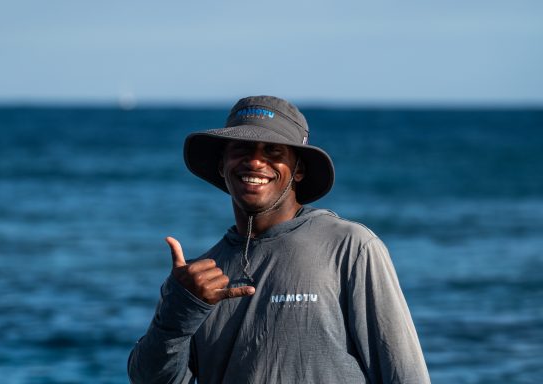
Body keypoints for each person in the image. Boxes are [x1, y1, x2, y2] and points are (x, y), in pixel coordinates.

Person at [128, 96, 430, 383]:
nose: (255, 162)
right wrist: (179, 312)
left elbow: (405, 374)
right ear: (222, 165)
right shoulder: (197, 281)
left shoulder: (349, 247)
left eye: (273, 151)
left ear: (298, 170)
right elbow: (149, 380)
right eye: (241, 150)